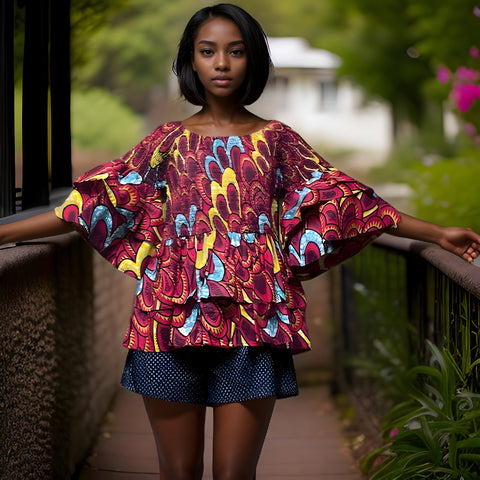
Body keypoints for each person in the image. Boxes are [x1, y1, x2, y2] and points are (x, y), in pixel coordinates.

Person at [1, 3, 479, 479]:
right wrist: (3, 233)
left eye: (236, 52)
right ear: (191, 60)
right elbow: (89, 205)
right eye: (208, 52)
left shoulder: (278, 140)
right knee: (180, 471)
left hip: (255, 320)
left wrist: (437, 233)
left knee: (234, 474)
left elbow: (352, 203)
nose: (222, 63)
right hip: (166, 320)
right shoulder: (166, 141)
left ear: (254, 61)